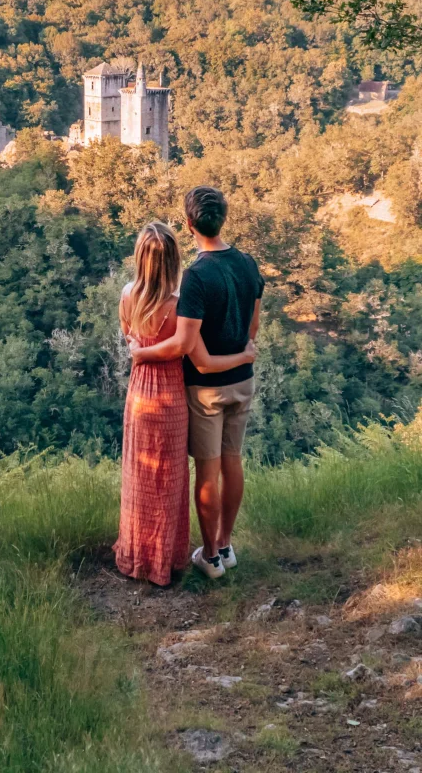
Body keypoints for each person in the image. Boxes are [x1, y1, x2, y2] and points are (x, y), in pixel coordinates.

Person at [130, 188, 264, 580]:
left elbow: (194, 353)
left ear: (189, 225)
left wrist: (139, 354)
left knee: (207, 473)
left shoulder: (197, 277)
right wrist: (243, 355)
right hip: (243, 384)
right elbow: (253, 327)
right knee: (232, 462)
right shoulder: (248, 263)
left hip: (208, 391)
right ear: (223, 218)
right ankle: (225, 544)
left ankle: (210, 558)